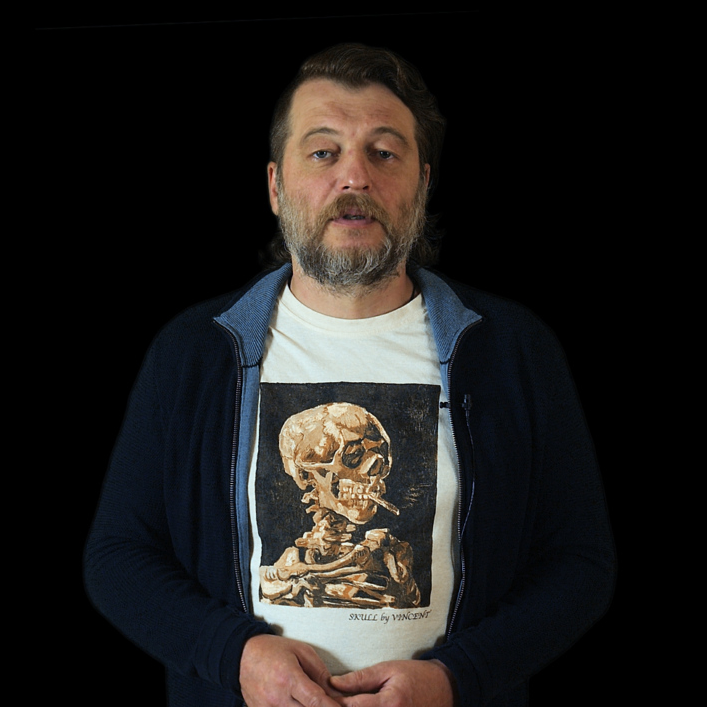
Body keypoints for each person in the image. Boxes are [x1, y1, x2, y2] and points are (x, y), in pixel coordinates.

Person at [84, 43, 615, 707]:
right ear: (276, 186)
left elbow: (579, 564)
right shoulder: (194, 353)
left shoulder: (513, 352)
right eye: (323, 152)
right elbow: (119, 557)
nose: (355, 176)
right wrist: (236, 656)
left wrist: (457, 677)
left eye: (384, 152)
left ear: (423, 182)